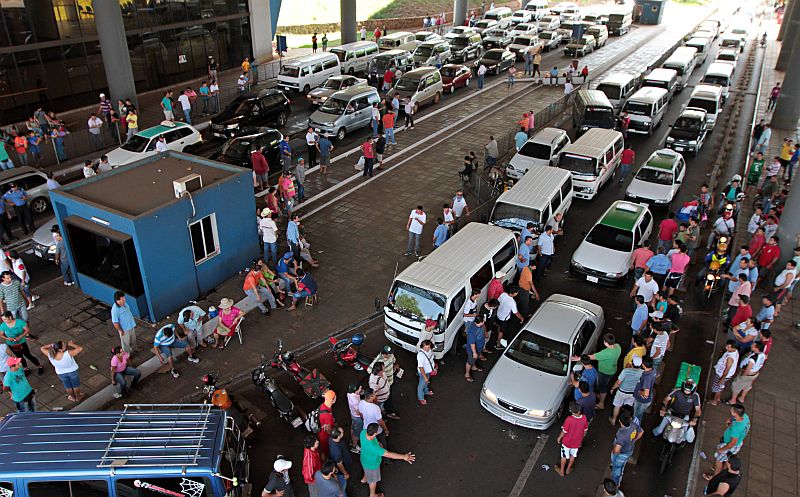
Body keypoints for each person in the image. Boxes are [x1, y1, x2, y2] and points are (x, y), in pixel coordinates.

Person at [360, 422, 415, 497]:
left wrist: (377, 443)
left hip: (364, 458)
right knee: (373, 481)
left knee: (366, 470)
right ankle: (372, 495)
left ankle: (364, 479)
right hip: (372, 465)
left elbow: (370, 441)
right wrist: (404, 457)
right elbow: (389, 454)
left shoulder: (363, 432)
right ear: (375, 434)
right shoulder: (374, 448)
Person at [704, 404, 750, 480]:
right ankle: (722, 471)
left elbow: (732, 443)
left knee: (719, 460)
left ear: (735, 413)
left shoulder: (736, 428)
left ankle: (715, 477)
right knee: (727, 459)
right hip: (737, 444)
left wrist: (722, 449)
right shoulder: (745, 417)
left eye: (732, 410)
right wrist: (731, 421)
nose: (730, 410)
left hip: (729, 445)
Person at [579, 334, 621, 409]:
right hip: (612, 370)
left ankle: (601, 403)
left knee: (603, 387)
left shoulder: (605, 353)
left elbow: (590, 357)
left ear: (606, 343)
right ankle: (600, 396)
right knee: (604, 384)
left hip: (604, 372)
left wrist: (578, 358)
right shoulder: (618, 347)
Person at [555, 402, 588, 477]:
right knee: (573, 456)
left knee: (564, 456)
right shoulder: (584, 418)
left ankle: (562, 471)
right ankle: (568, 469)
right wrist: (581, 439)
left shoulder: (569, 419)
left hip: (567, 442)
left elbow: (564, 431)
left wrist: (559, 437)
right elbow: (585, 430)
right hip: (577, 443)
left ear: (571, 411)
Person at [610, 410, 642, 486]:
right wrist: (634, 440)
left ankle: (615, 483)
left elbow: (617, 450)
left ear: (620, 421)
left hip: (621, 454)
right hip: (629, 450)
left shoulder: (621, 434)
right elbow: (641, 432)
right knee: (623, 463)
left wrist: (614, 453)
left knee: (617, 468)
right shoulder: (634, 425)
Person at [610, 355, 643, 426]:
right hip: (632, 394)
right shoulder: (642, 372)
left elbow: (618, 382)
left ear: (632, 363)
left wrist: (613, 388)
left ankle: (613, 420)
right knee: (627, 408)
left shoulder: (625, 371)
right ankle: (625, 422)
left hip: (622, 392)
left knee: (617, 406)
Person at [632, 355, 656, 423]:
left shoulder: (647, 377)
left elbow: (646, 394)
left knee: (637, 415)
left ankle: (635, 428)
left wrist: (639, 391)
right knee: (639, 413)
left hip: (641, 401)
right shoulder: (653, 369)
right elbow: (658, 375)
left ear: (643, 365)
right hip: (647, 399)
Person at [416, 339, 435, 405]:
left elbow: (431, 359)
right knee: (421, 385)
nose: (427, 349)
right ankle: (421, 398)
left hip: (428, 371)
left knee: (426, 383)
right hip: (423, 373)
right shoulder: (420, 355)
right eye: (425, 347)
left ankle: (426, 391)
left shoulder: (430, 350)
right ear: (422, 347)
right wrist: (425, 377)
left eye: (428, 347)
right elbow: (421, 367)